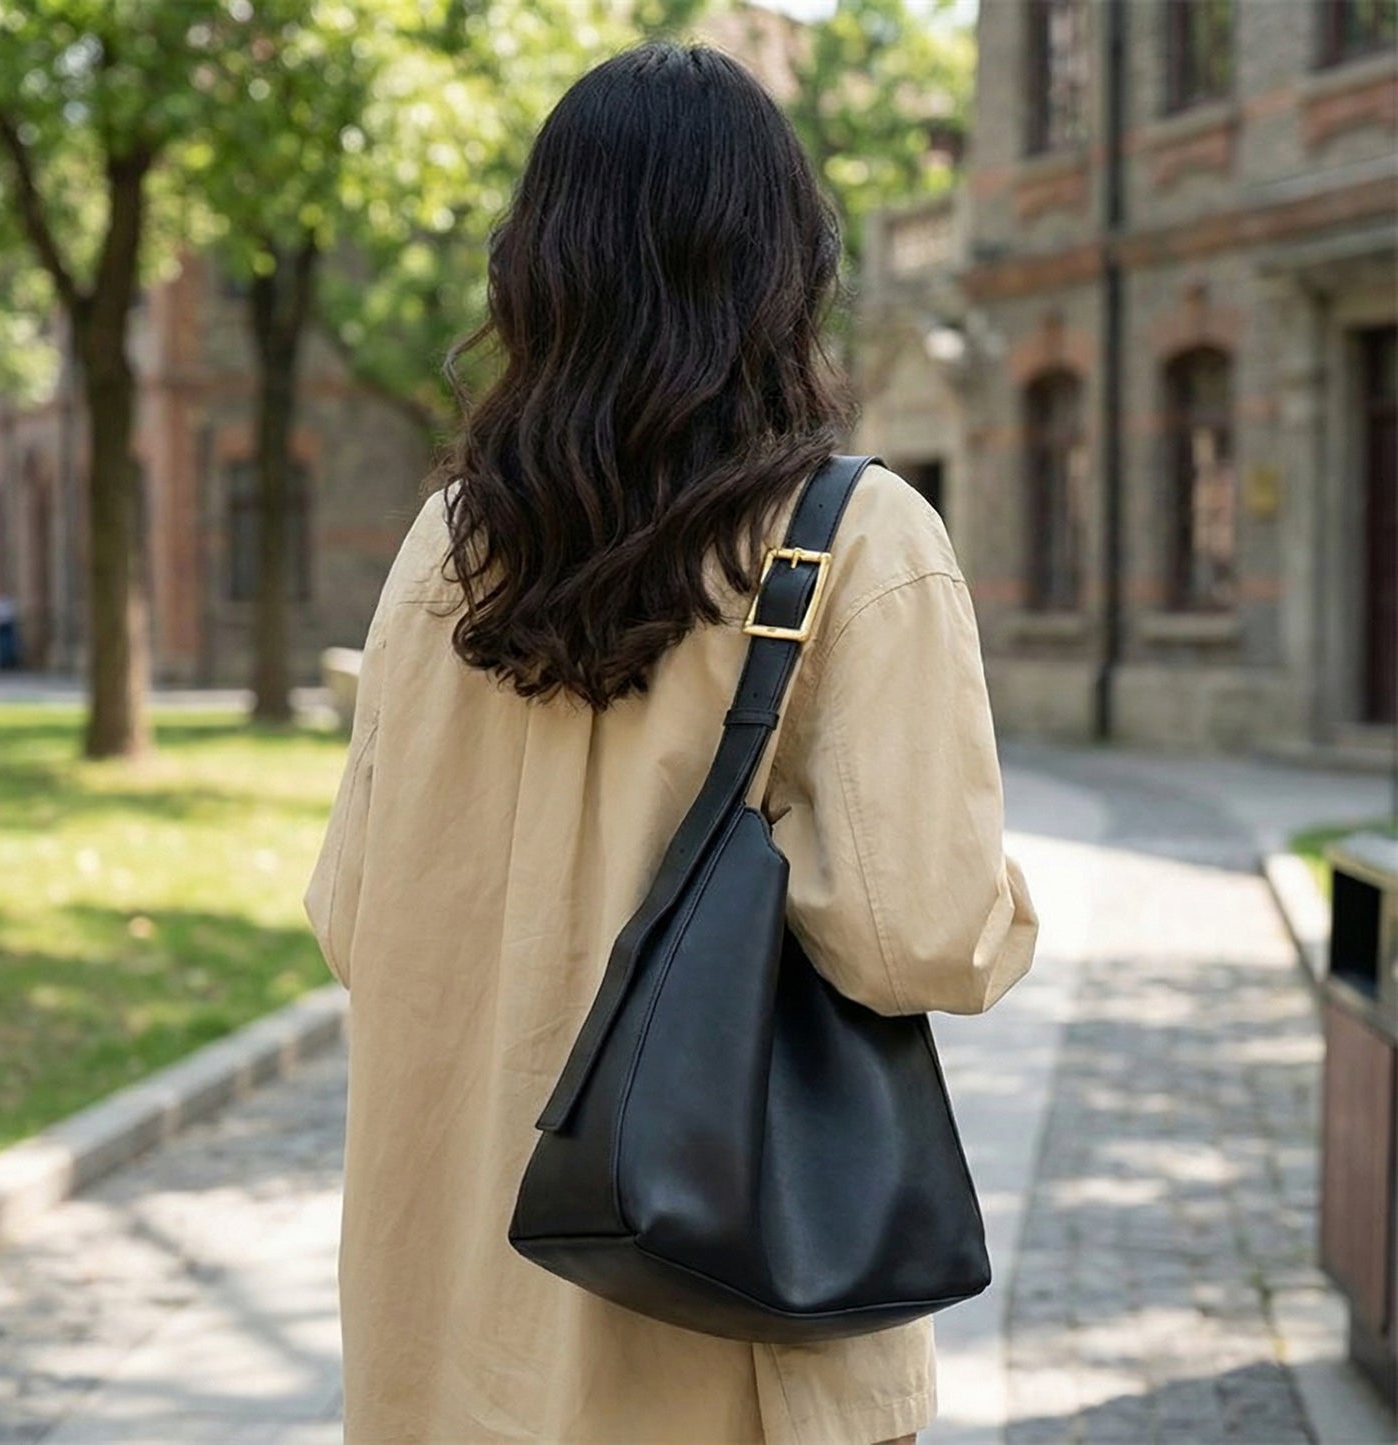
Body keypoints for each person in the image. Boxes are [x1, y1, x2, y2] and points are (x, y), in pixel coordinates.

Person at [305, 40, 1038, 1445]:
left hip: (448, 1324)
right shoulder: (859, 538)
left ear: (539, 267)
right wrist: (1004, 914)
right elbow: (916, 937)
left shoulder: (446, 552)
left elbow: (353, 916)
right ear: (779, 268)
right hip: (719, 1329)